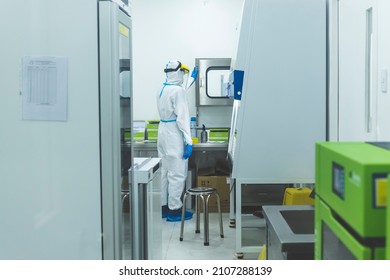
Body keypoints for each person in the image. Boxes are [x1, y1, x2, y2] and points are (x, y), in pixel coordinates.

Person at [157, 60, 194, 222]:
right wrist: (189, 141)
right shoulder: (178, 91)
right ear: (177, 72)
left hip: (163, 132)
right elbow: (183, 118)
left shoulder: (163, 88)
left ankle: (164, 207)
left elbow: (177, 96)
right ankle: (175, 210)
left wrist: (191, 79)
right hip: (174, 134)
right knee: (177, 173)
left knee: (165, 172)